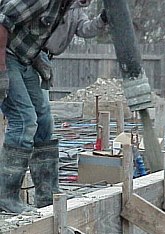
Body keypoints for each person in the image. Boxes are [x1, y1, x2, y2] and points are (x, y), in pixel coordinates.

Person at [0, 0, 107, 214]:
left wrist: (37, 57)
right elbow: (2, 21)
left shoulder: (68, 6)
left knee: (44, 120)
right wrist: (1, 68)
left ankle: (47, 195)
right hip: (8, 58)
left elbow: (39, 33)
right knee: (24, 121)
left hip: (24, 60)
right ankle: (6, 197)